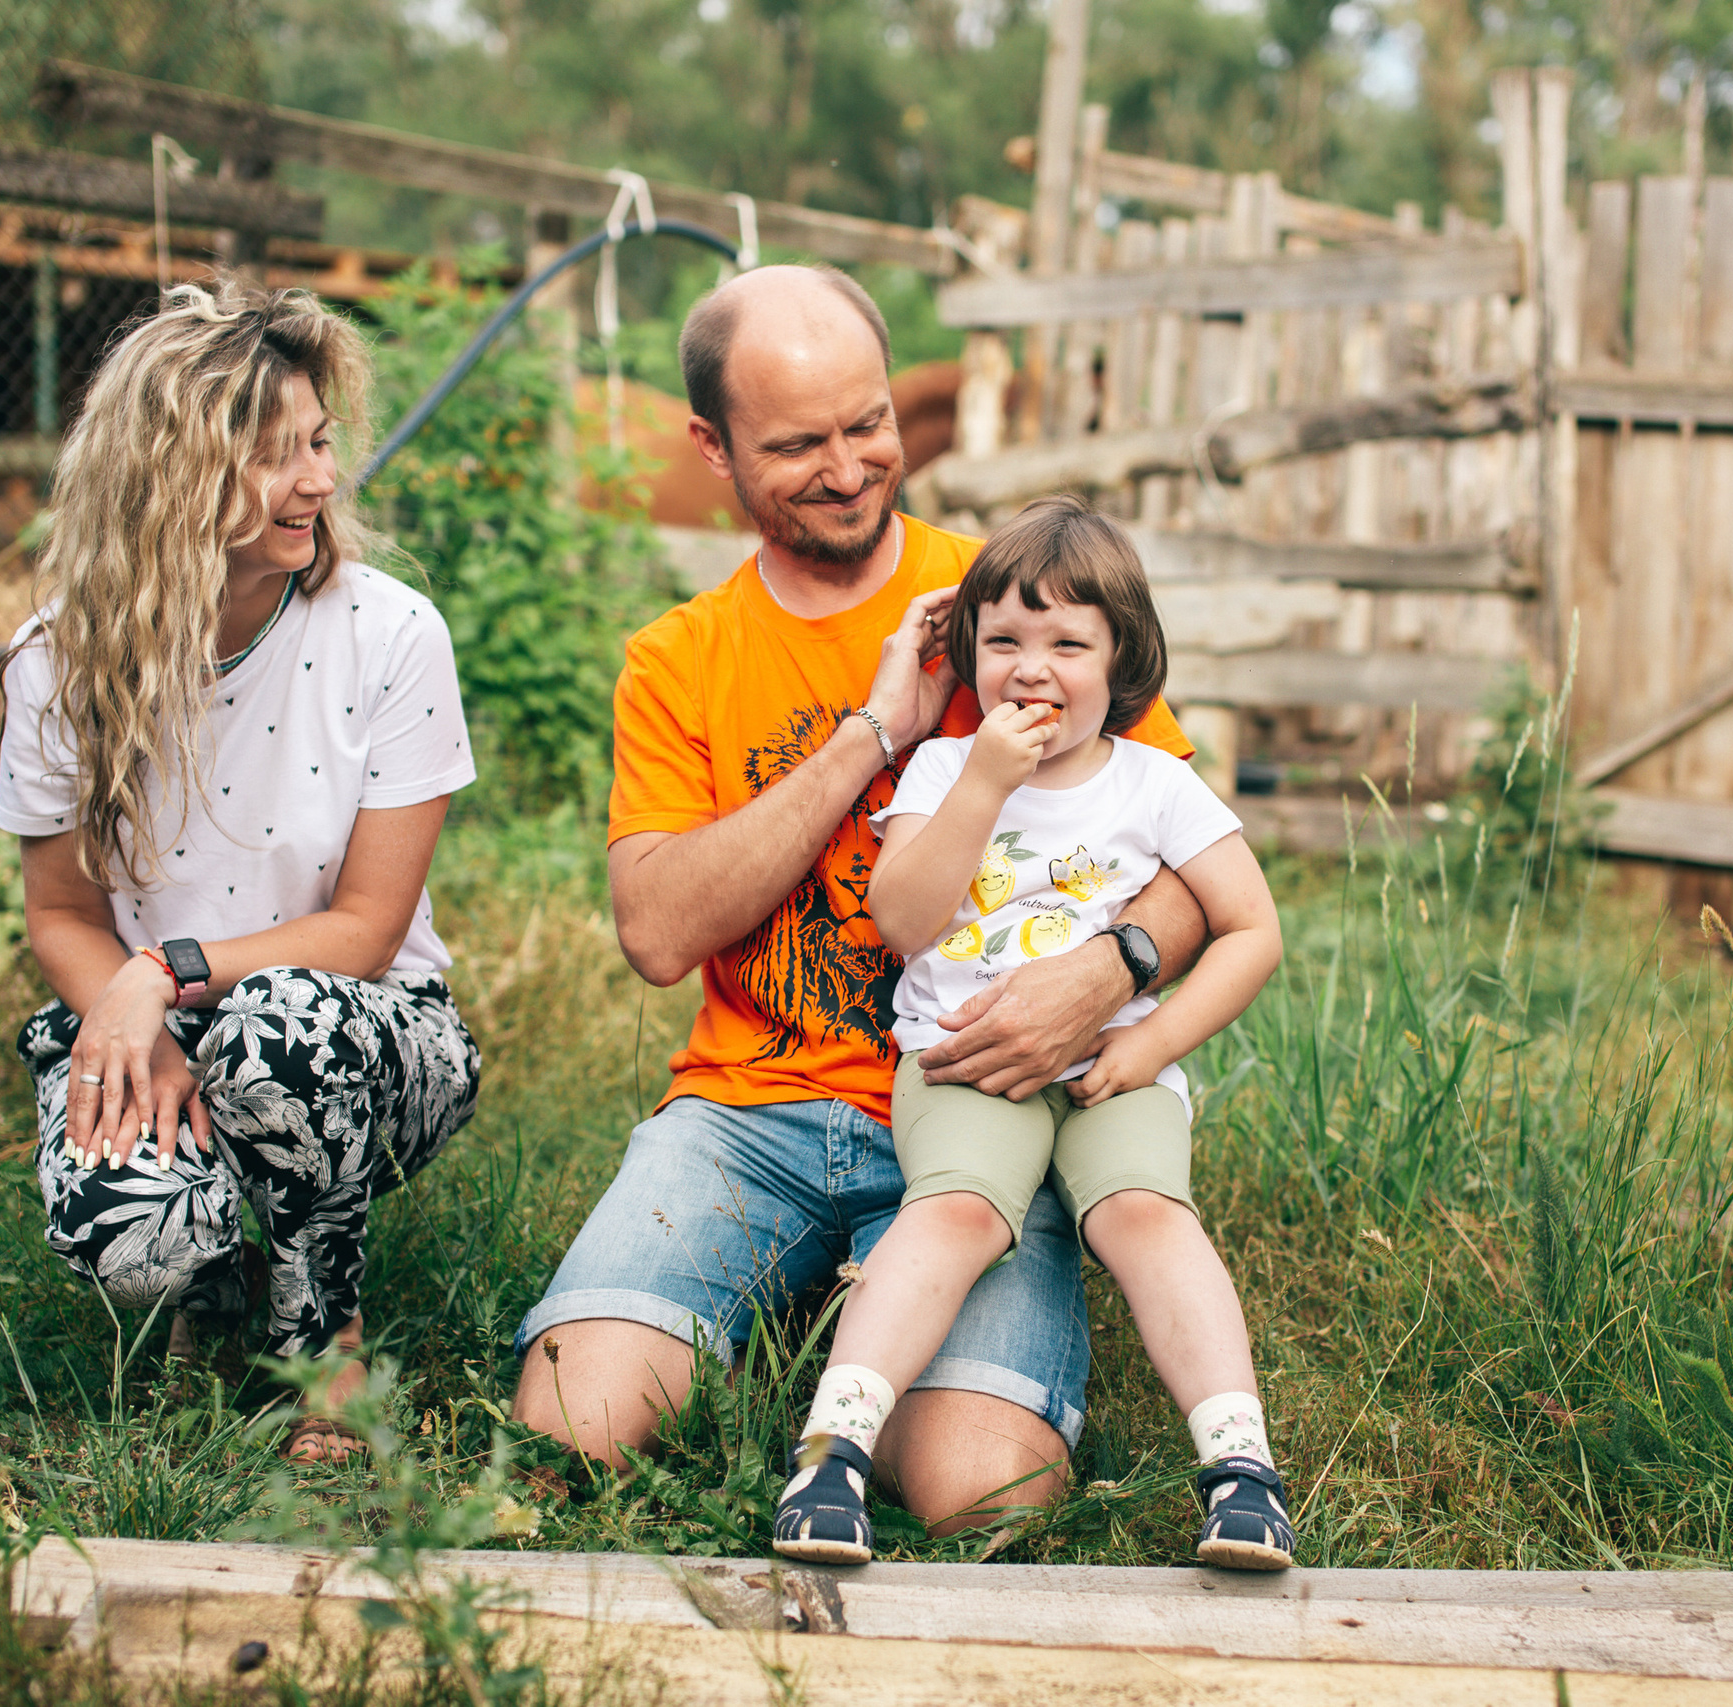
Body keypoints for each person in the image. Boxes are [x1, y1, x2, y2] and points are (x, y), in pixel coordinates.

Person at [510, 265, 1210, 1535]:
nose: (847, 467)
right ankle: (812, 1300)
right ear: (712, 448)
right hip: (750, 1114)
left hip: (984, 1109)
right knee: (574, 1430)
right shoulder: (678, 660)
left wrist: (1108, 969)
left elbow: (1197, 865)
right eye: (797, 444)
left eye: (866, 424)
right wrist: (869, 735)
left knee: (982, 1495)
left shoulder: (1015, 603)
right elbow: (657, 932)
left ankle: (874, 1317)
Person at [0, 279, 482, 1463]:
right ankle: (214, 1292)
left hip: (362, 1034)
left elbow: (365, 930)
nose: (319, 481)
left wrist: (162, 972)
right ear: (171, 474)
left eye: (319, 443)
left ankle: (327, 1336)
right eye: (275, 457)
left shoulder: (390, 634)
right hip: (157, 1015)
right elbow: (59, 911)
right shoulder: (59, 661)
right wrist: (135, 1016)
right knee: (135, 1241)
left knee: (279, 1027)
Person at [771, 495, 1293, 1570]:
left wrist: (1150, 1047)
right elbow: (903, 921)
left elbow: (1251, 930)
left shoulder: (1157, 782)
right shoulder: (937, 771)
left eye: (1068, 641)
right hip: (964, 1065)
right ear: (967, 657)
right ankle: (832, 1457)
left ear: (1123, 659)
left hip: (1113, 1063)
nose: (1032, 667)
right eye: (1003, 639)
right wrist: (985, 780)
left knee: (1146, 1216)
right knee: (957, 1210)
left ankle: (1242, 1472)